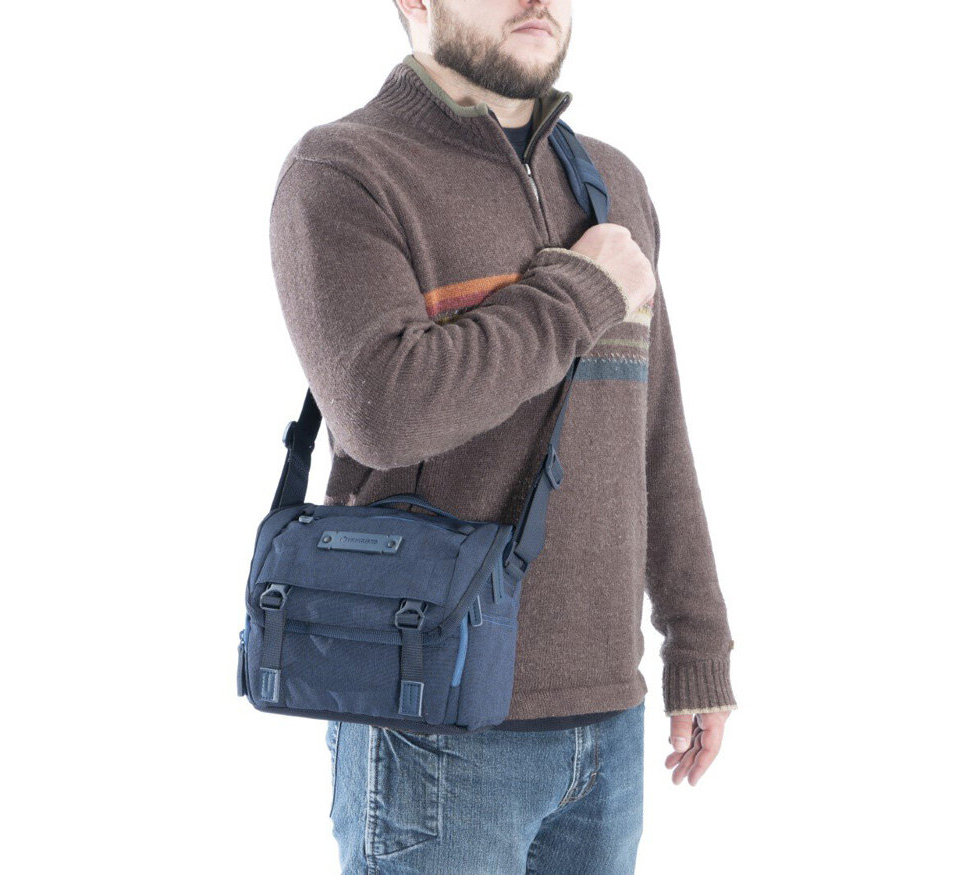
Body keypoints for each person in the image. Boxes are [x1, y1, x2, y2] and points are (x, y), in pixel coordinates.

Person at [267, 1, 736, 871]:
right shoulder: (345, 170)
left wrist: (698, 640)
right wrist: (582, 291)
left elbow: (657, 429)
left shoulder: (613, 184)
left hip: (609, 720)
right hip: (431, 726)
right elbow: (384, 409)